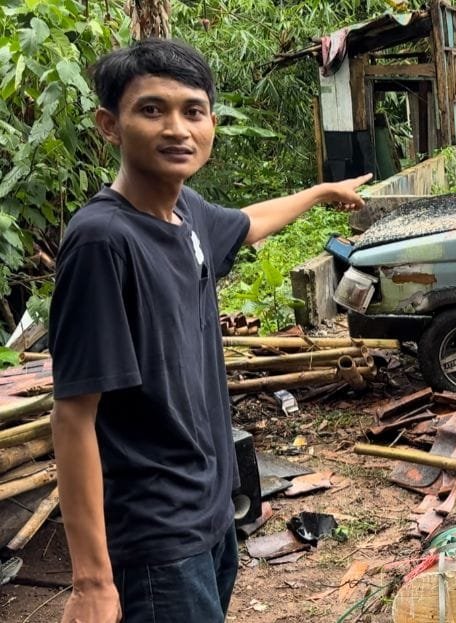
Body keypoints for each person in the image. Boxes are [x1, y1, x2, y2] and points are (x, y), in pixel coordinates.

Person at [48, 38, 370, 623]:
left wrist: (323, 192)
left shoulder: (185, 212)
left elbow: (251, 223)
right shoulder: (103, 242)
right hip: (155, 534)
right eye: (152, 110)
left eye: (192, 111)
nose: (177, 128)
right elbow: (74, 415)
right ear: (109, 125)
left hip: (212, 511)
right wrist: (92, 580)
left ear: (211, 124)